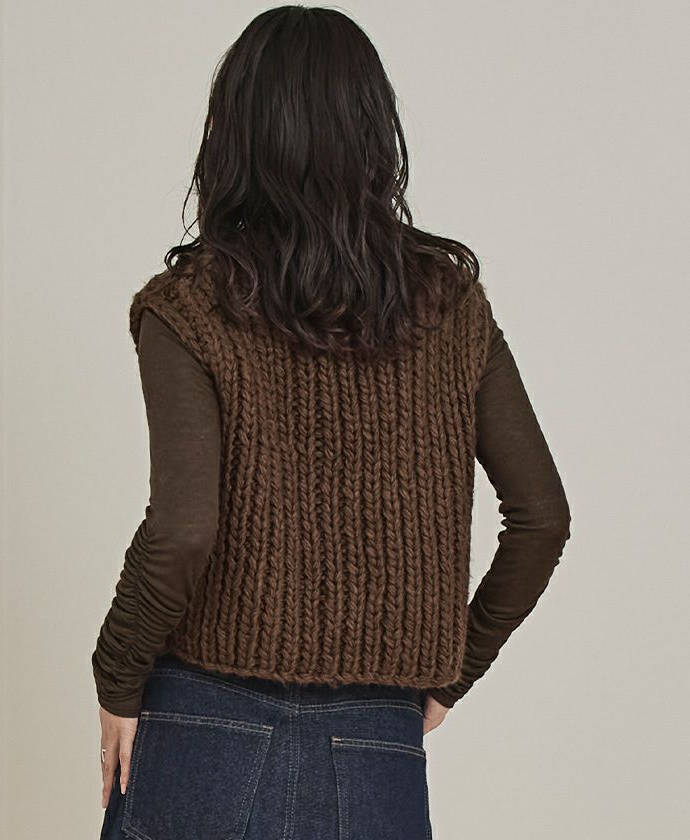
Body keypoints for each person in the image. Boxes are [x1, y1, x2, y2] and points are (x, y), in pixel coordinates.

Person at [92, 6, 572, 839]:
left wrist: (116, 674)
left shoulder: (189, 307)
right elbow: (543, 517)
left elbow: (183, 529)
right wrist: (451, 673)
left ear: (234, 135)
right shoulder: (449, 308)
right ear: (373, 132)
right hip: (376, 738)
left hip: (200, 723)